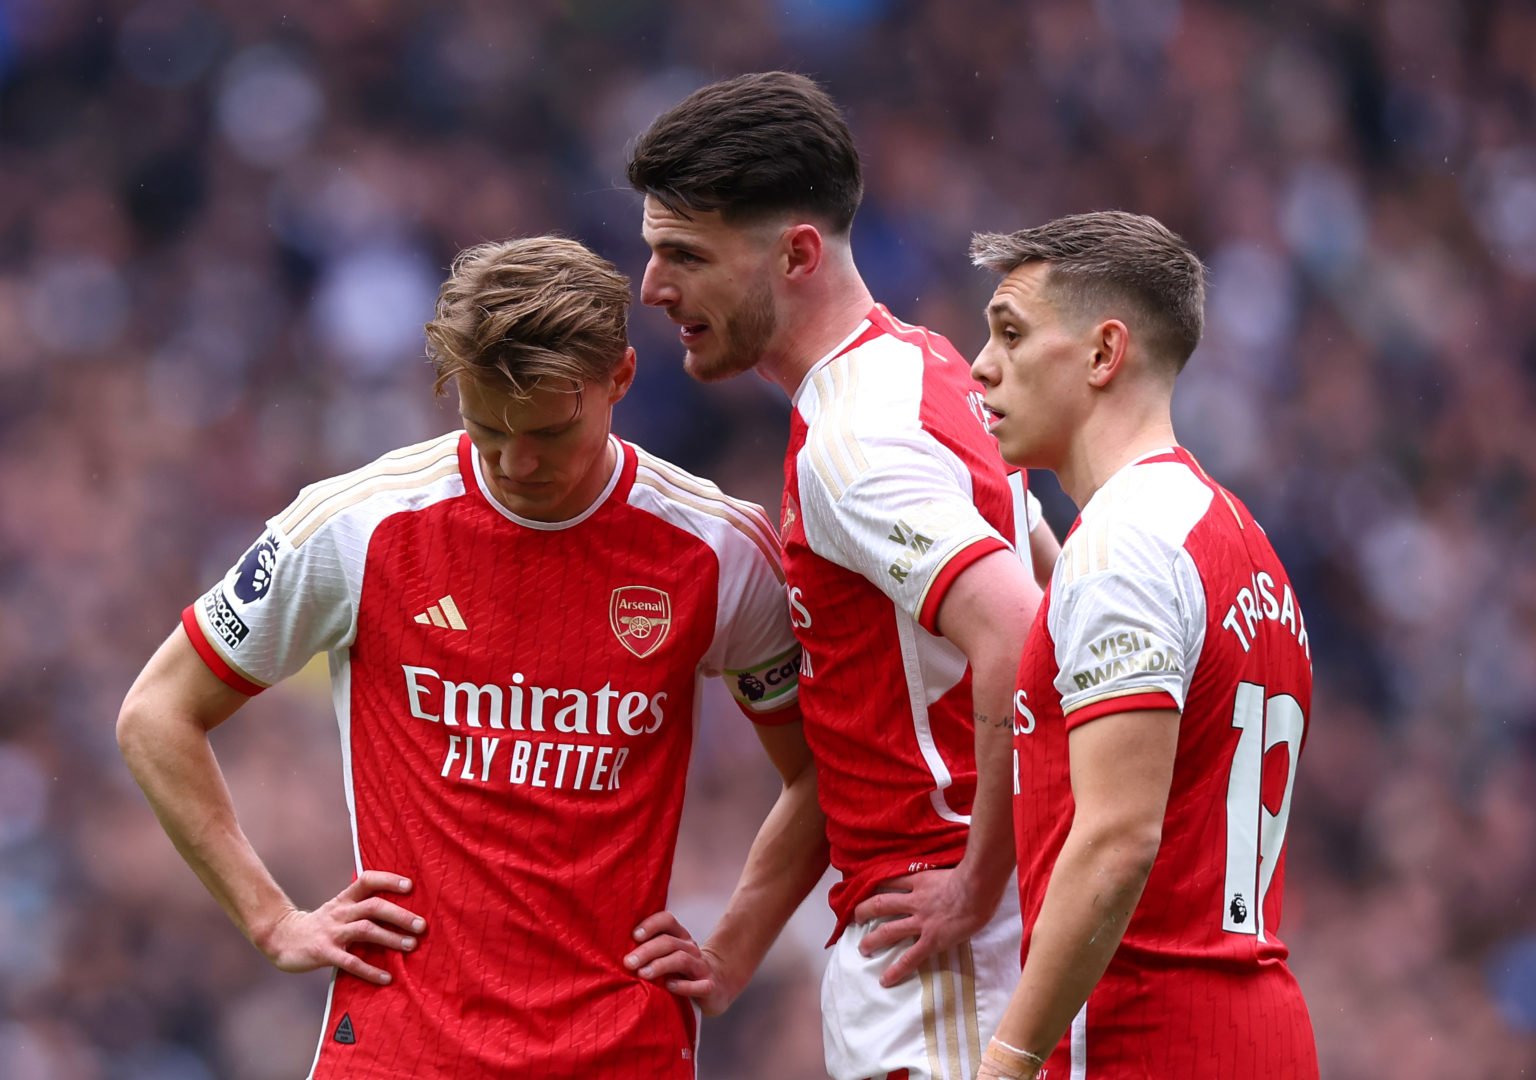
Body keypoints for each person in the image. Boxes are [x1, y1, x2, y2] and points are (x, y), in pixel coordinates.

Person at [115, 236, 808, 1079]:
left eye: (550, 432)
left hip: (621, 1049)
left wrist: (736, 947)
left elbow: (820, 769)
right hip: (401, 1049)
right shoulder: (357, 526)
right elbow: (157, 714)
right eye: (487, 429)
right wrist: (272, 918)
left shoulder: (717, 549)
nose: (517, 464)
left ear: (620, 379)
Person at [621, 72, 1059, 1080]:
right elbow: (1049, 584)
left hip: (943, 950)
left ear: (797, 253)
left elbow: (1017, 630)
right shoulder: (929, 369)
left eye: (684, 255)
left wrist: (979, 878)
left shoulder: (854, 446)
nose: (653, 288)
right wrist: (734, 946)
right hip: (951, 930)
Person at [966, 211, 1318, 1079]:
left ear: (1102, 354)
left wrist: (1008, 1059)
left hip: (1149, 1038)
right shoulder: (1239, 539)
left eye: (1011, 333)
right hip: (1258, 1021)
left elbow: (1120, 838)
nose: (982, 365)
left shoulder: (1123, 547)